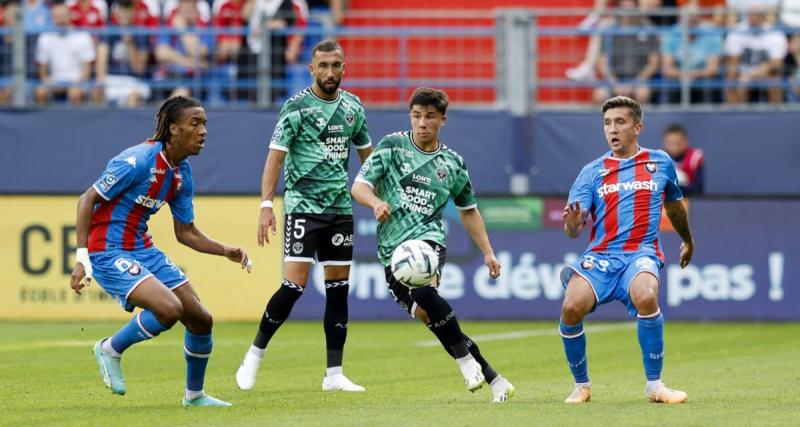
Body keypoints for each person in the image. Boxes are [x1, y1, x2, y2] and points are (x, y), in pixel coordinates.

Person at [69, 96, 252, 407]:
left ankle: (194, 397)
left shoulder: (182, 174)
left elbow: (186, 232)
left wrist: (225, 250)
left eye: (205, 123)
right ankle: (110, 349)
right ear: (173, 129)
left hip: (143, 249)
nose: (204, 130)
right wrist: (82, 258)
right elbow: (87, 199)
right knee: (168, 309)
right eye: (195, 123)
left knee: (200, 319)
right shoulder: (138, 160)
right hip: (108, 251)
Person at [350, 87, 516, 403]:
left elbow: (468, 211)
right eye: (416, 115)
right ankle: (495, 380)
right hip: (391, 252)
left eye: (429, 116)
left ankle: (466, 363)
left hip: (428, 242)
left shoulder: (452, 163)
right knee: (432, 318)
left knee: (425, 290)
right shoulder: (392, 147)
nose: (422, 123)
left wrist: (488, 252)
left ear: (442, 119)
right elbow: (359, 186)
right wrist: (375, 203)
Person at [235, 40, 371, 392]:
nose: (330, 72)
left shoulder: (354, 107)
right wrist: (266, 205)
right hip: (303, 207)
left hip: (340, 210)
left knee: (338, 290)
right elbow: (275, 158)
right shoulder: (296, 108)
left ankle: (334, 374)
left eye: (336, 65)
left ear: (344, 68)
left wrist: (377, 200)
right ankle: (254, 355)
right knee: (293, 286)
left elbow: (369, 161)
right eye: (323, 65)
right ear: (311, 69)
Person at [559, 95, 695, 404]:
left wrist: (687, 239)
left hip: (640, 253)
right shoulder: (591, 171)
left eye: (620, 122)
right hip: (601, 256)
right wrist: (573, 223)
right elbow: (572, 231)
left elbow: (673, 207)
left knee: (647, 295)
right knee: (570, 307)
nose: (612, 129)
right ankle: (581, 386)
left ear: (638, 127)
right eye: (607, 123)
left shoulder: (659, 162)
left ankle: (655, 386)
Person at [594, 0, 660, 104]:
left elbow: (653, 63)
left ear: (637, 8)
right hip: (615, 78)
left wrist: (635, 83)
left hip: (639, 79)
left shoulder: (648, 29)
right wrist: (614, 83)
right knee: (600, 95)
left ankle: (638, 120)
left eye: (631, 6)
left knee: (643, 94)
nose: (627, 10)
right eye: (624, 6)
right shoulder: (609, 30)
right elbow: (602, 62)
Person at [34, 0, 96, 105]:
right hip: (54, 81)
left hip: (77, 81)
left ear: (70, 15)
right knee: (40, 92)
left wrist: (76, 84)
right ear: (52, 18)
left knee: (75, 93)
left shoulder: (83, 37)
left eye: (63, 15)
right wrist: (50, 82)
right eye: (57, 16)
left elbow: (86, 71)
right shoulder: (44, 38)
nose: (60, 19)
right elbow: (43, 71)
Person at [662, 123, 704, 195]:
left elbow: (698, 188)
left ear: (685, 142)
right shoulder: (660, 160)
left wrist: (678, 188)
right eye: (670, 143)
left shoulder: (695, 158)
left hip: (689, 200)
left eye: (676, 143)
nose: (673, 147)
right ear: (664, 143)